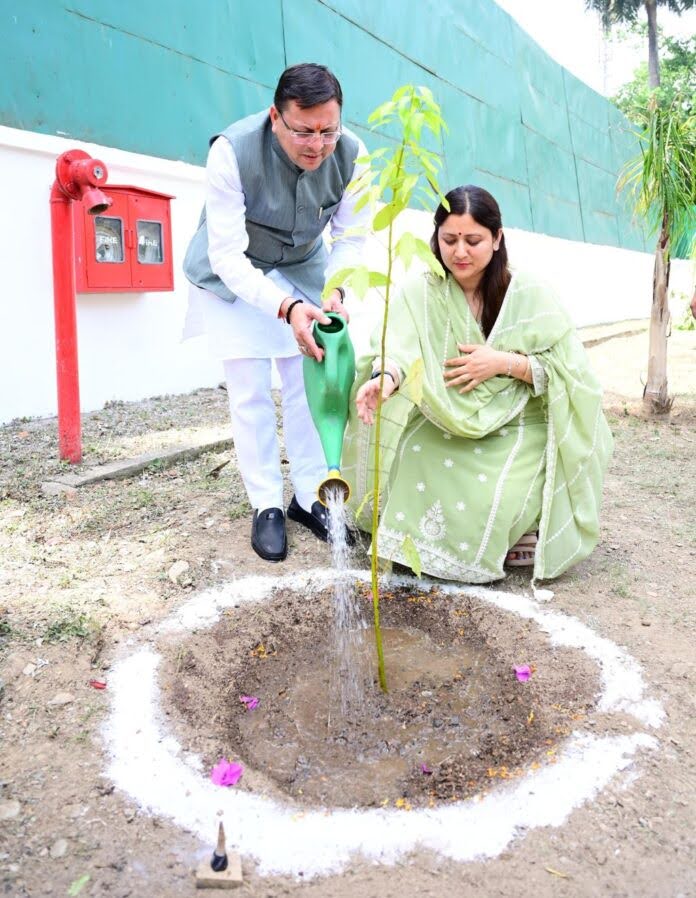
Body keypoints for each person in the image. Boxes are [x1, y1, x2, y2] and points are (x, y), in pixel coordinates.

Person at [342, 185, 613, 584]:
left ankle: (518, 530)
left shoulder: (529, 293)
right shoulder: (421, 291)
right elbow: (399, 348)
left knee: (496, 489)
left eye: (473, 241)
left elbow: (571, 373)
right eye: (449, 240)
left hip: (518, 421)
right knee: (417, 451)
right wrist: (385, 380)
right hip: (446, 417)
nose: (460, 252)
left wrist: (502, 363)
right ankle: (429, 546)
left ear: (497, 238)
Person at [183, 63, 369, 562]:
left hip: (304, 267)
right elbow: (227, 255)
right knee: (250, 389)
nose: (318, 144)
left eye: (328, 130)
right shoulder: (231, 151)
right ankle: (265, 502)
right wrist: (285, 307)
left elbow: (351, 237)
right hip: (234, 272)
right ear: (275, 117)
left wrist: (336, 290)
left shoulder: (354, 154)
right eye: (304, 131)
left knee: (307, 384)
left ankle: (308, 496)